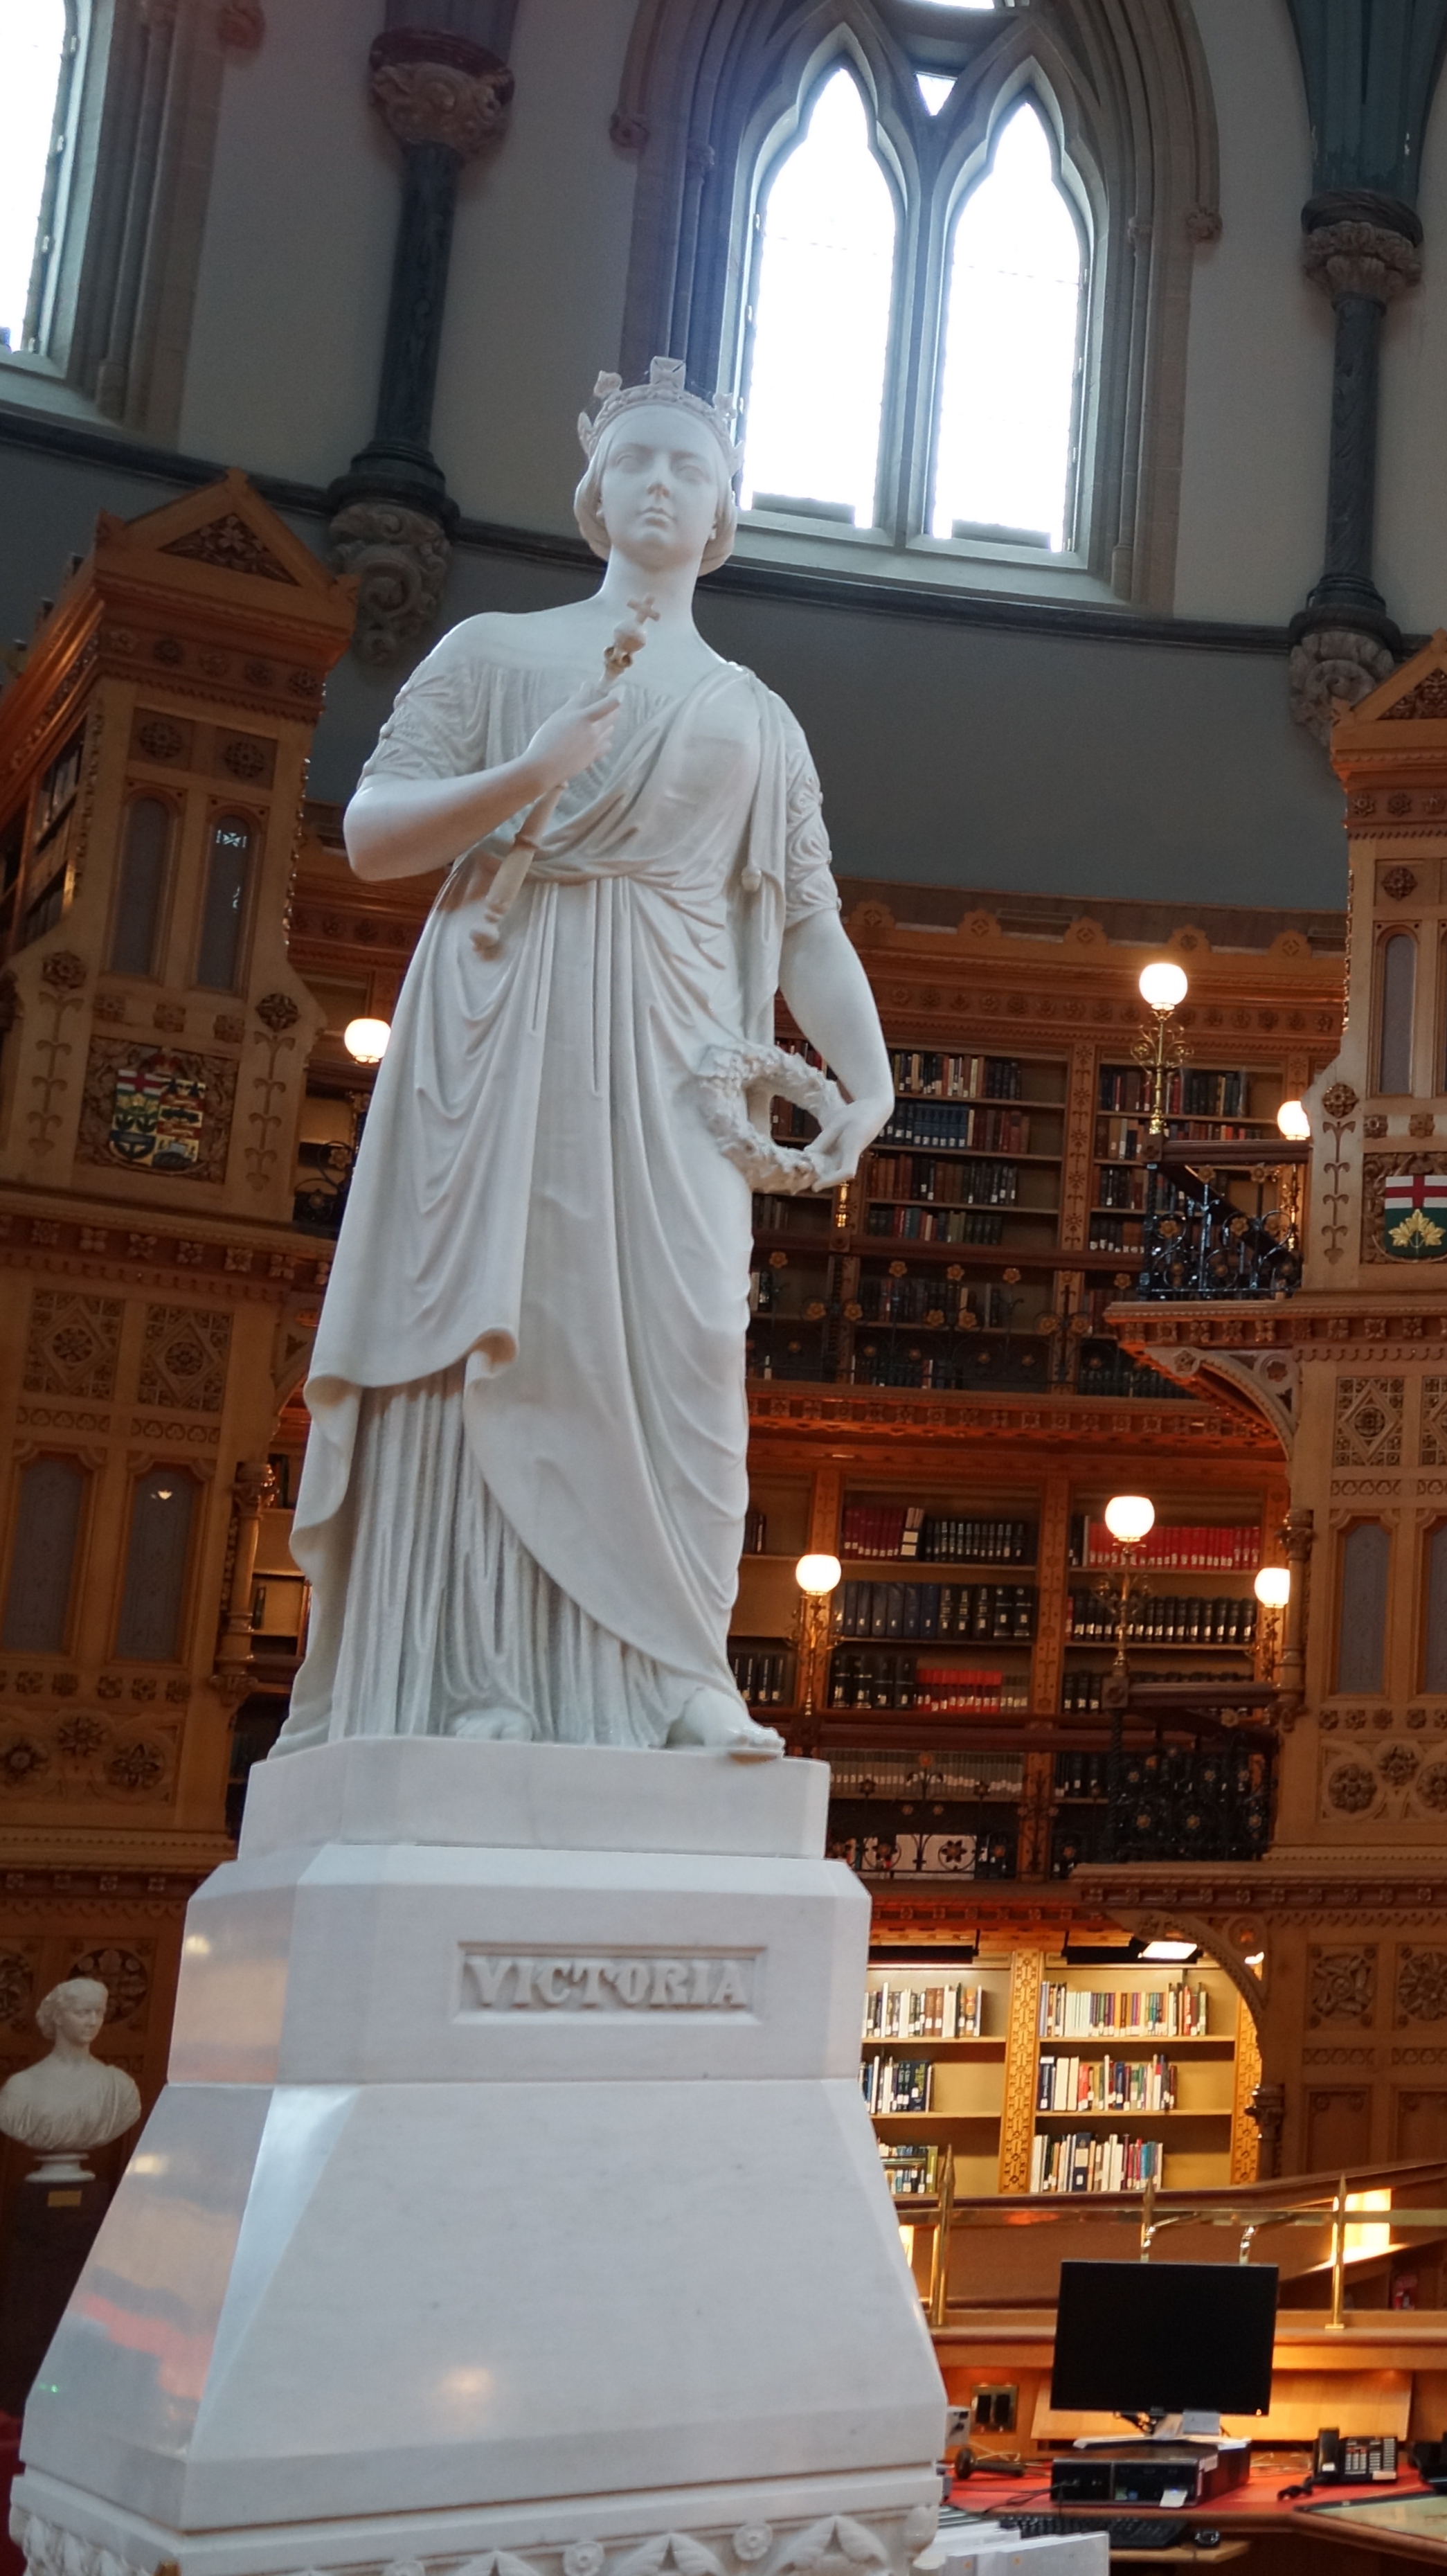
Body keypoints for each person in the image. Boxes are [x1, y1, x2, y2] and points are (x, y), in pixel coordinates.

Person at [275, 363, 893, 1757]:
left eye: (689, 465)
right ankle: (477, 1681)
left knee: (680, 1343)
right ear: (594, 495)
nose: (662, 484)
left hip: (683, 1043)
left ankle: (677, 1671)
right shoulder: (496, 653)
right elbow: (374, 837)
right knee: (509, 1319)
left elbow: (808, 927)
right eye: (638, 464)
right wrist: (525, 775)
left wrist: (871, 1085)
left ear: (726, 511)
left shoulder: (755, 715)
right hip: (510, 1004)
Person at [0, 1978, 141, 2182]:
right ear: (58, 2016)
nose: (92, 2022)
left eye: (98, 2013)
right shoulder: (21, 2087)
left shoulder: (119, 2087)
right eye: (82, 2013)